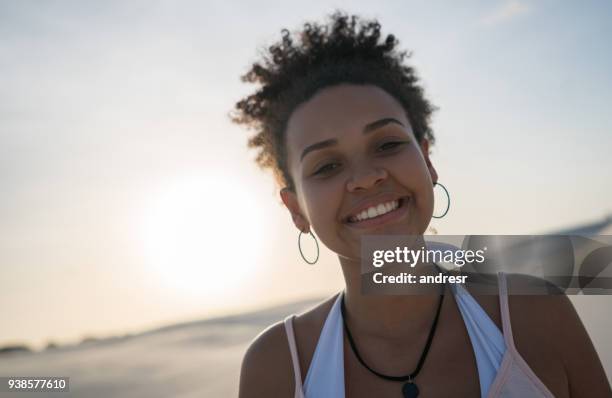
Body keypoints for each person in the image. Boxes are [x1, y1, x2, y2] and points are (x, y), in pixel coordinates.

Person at [232, 11, 611, 398]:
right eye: (326, 165)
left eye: (387, 144)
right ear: (295, 208)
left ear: (427, 161)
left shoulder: (536, 317)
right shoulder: (278, 368)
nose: (365, 177)